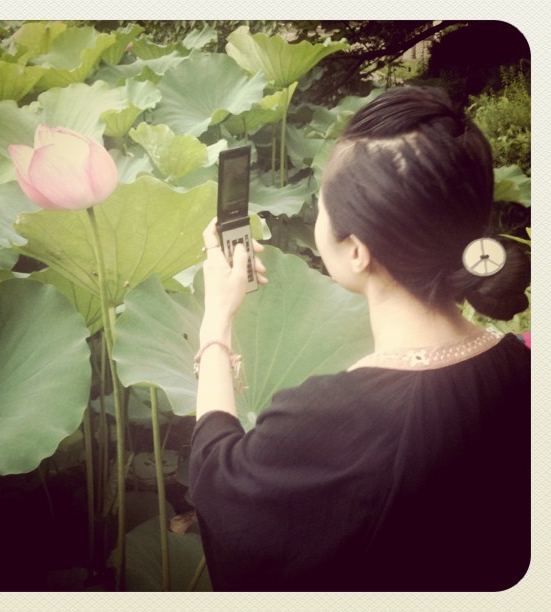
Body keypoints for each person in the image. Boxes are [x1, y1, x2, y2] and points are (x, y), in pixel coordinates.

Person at [189, 86, 531, 592]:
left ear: (356, 251)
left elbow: (217, 480)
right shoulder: (522, 369)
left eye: (322, 206)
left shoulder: (325, 421)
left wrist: (216, 318)